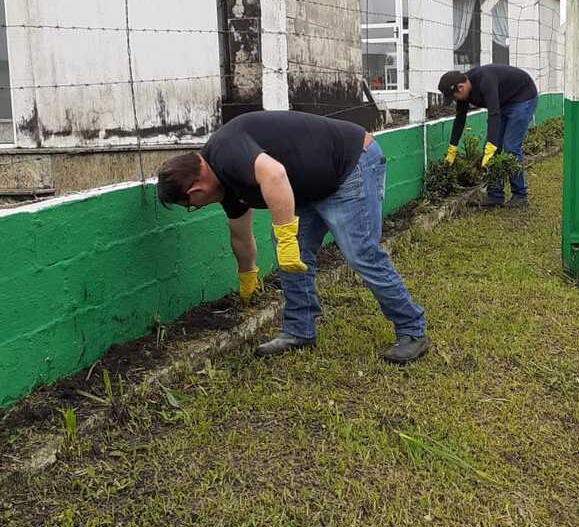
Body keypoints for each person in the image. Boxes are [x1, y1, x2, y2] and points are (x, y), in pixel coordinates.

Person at [156, 111, 429, 364]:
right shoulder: (225, 185)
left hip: (349, 165)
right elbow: (240, 235)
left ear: (195, 189)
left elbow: (275, 175)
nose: (196, 208)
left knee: (360, 253)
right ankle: (299, 330)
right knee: (291, 254)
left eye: (191, 205)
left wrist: (286, 237)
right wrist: (247, 275)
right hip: (311, 186)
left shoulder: (226, 151)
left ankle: (412, 330)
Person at [437, 64, 539, 208]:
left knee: (511, 147)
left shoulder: (485, 79)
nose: (455, 100)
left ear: (460, 87)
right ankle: (495, 195)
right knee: (491, 148)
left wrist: (491, 147)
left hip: (523, 98)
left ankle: (520, 195)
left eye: (453, 97)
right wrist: (452, 148)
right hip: (503, 102)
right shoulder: (464, 92)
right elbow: (460, 119)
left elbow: (494, 114)